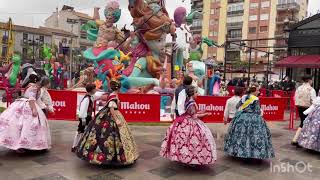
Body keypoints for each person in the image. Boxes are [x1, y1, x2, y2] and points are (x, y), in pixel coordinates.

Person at [76, 79, 139, 165]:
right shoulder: (113, 96)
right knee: (109, 134)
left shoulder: (113, 95)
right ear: (118, 88)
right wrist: (117, 119)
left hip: (113, 114)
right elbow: (112, 109)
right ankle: (111, 156)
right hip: (112, 116)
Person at [160, 86, 217, 165]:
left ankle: (184, 157)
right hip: (190, 122)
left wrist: (201, 112)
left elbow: (192, 113)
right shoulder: (191, 103)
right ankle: (191, 159)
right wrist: (205, 114)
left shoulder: (187, 101)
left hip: (185, 119)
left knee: (184, 141)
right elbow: (194, 116)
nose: (197, 94)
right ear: (192, 93)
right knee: (194, 140)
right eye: (196, 92)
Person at [0, 73, 51, 153]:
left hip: (23, 104)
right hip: (27, 105)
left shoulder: (33, 87)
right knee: (27, 126)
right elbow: (31, 99)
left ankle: (23, 144)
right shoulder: (34, 87)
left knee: (21, 126)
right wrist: (34, 109)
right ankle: (22, 145)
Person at [224, 86, 274, 159]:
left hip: (242, 117)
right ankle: (253, 153)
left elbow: (237, 106)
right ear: (253, 91)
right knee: (254, 136)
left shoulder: (244, 96)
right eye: (257, 90)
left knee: (240, 136)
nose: (259, 92)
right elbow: (257, 111)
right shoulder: (256, 99)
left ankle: (238, 152)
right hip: (253, 119)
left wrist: (244, 110)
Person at [71, 84, 97, 152]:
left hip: (87, 118)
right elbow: (82, 110)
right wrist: (83, 120)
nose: (96, 90)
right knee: (80, 131)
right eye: (95, 89)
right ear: (91, 90)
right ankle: (75, 146)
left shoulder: (90, 97)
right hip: (84, 118)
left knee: (85, 131)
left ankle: (80, 145)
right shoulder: (86, 99)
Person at [291, 76, 316, 146]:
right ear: (309, 80)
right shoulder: (311, 89)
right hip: (308, 108)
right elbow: (314, 101)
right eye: (312, 80)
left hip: (299, 107)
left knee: (303, 122)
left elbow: (294, 97)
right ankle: (298, 140)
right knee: (306, 123)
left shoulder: (299, 88)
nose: (312, 81)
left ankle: (296, 139)